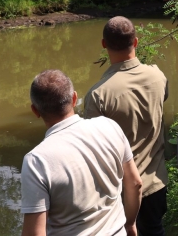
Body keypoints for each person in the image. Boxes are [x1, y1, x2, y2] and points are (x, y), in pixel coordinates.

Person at [21, 69, 143, 236]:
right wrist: (130, 224)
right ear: (74, 98)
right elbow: (135, 183)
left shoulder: (37, 161)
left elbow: (34, 233)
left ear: (35, 111)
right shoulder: (109, 126)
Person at [84, 17, 169, 236]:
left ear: (104, 45)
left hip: (120, 193)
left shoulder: (98, 95)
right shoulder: (158, 77)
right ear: (136, 42)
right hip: (156, 184)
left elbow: (95, 152)